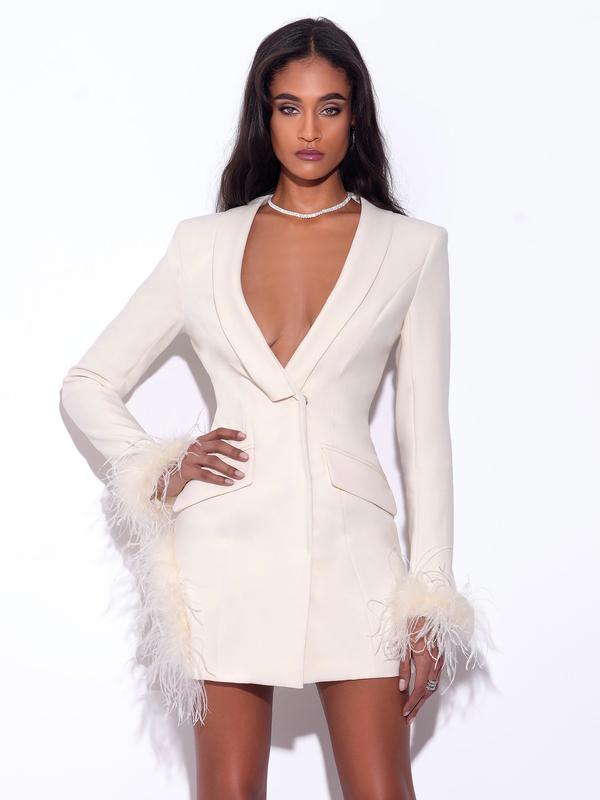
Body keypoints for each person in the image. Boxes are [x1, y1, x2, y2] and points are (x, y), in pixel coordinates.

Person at [60, 16, 491, 799]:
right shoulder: (202, 245)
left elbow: (424, 435)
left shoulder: (412, 248)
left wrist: (430, 599)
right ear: (265, 116)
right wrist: (158, 464)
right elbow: (87, 381)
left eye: (330, 107)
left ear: (356, 116)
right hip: (223, 547)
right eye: (289, 107)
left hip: (355, 553)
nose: (309, 129)